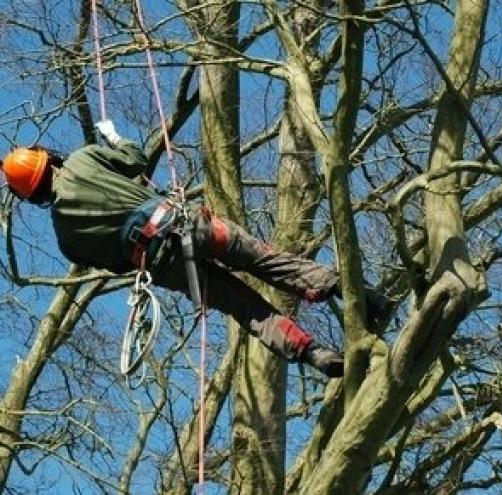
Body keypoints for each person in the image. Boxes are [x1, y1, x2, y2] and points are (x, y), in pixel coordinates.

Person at [1, 120, 391, 378]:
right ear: (48, 157)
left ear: (33, 197)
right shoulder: (84, 160)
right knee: (266, 260)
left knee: (248, 310)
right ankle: (359, 293)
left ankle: (312, 353)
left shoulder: (66, 238)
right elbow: (136, 158)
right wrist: (114, 137)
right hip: (189, 225)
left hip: (168, 266)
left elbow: (118, 264)